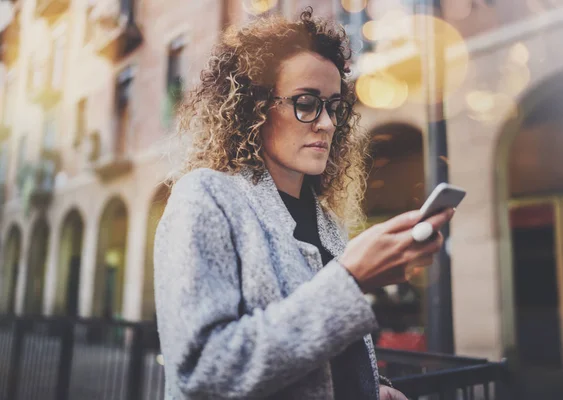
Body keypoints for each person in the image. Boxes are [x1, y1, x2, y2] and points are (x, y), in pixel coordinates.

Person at [154, 7, 454, 400]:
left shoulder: (327, 220)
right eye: (306, 102)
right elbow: (203, 370)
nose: (327, 123)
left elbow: (319, 355)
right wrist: (349, 280)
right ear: (253, 108)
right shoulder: (206, 196)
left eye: (333, 106)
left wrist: (370, 388)